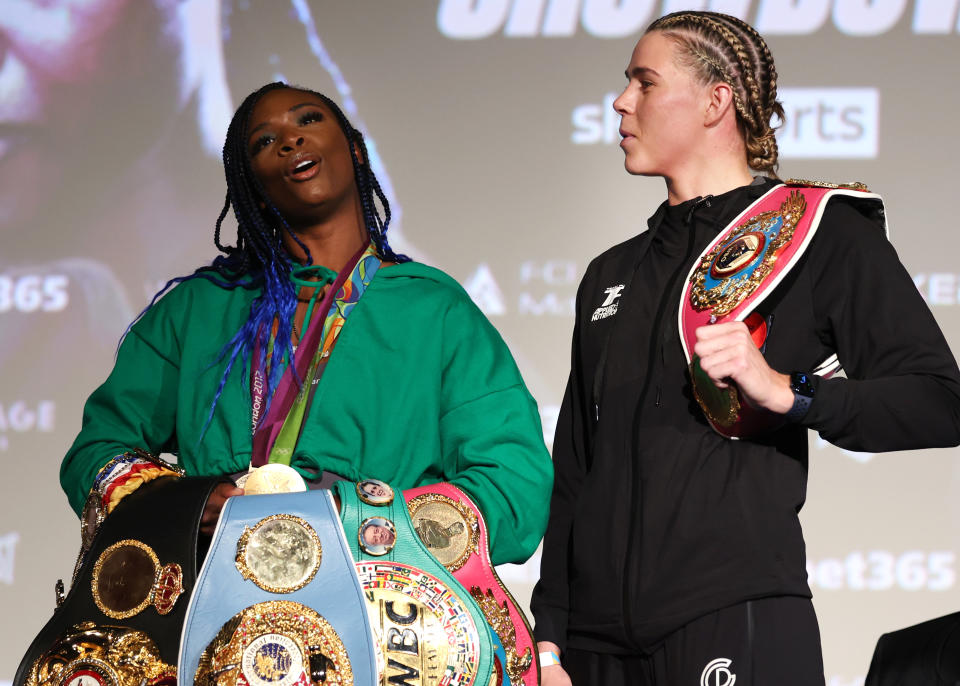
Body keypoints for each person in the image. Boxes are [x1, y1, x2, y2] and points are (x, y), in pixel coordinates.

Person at [530, 11, 960, 686]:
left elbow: (940, 402)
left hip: (733, 613)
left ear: (715, 100)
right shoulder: (609, 274)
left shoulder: (822, 234)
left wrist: (790, 391)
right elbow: (578, 471)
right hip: (594, 649)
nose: (621, 102)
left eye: (644, 82)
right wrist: (550, 639)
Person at [59, 82, 552, 568]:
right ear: (250, 181)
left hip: (378, 604)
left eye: (308, 120)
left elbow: (514, 486)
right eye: (264, 142)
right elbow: (97, 450)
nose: (289, 140)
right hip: (210, 598)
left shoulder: (434, 309)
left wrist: (365, 519)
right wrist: (190, 503)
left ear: (355, 150)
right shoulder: (198, 307)